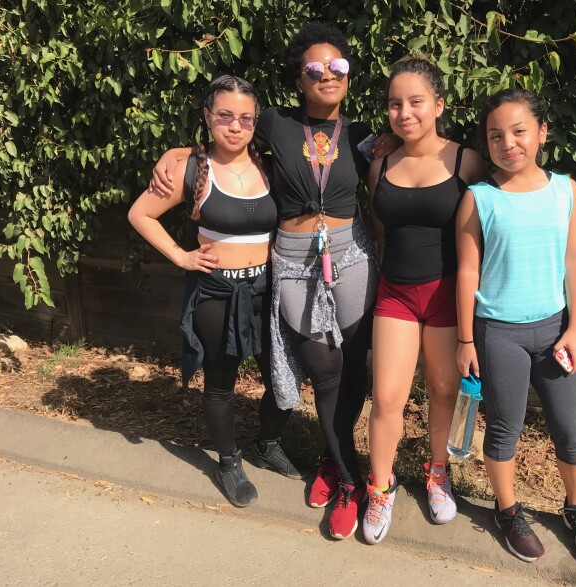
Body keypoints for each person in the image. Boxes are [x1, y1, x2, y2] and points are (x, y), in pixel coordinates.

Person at [150, 23, 390, 540]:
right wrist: (174, 156)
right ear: (299, 79)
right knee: (324, 372)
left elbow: (402, 171)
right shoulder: (276, 123)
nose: (328, 74)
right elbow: (225, 136)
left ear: (349, 74)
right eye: (314, 68)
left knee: (355, 370)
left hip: (351, 258)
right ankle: (352, 482)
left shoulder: (363, 135)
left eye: (338, 66)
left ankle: (331, 459)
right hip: (296, 262)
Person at [128, 75, 301, 508]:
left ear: (256, 122)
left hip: (268, 290)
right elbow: (140, 213)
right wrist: (180, 256)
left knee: (283, 376)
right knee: (221, 382)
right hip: (218, 294)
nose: (235, 126)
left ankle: (268, 443)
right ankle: (228, 461)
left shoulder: (270, 164)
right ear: (208, 117)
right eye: (225, 115)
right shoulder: (191, 169)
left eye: (246, 118)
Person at [455, 88, 576, 563]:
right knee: (505, 428)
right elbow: (467, 273)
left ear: (542, 132)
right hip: (498, 334)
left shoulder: (566, 190)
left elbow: (575, 261)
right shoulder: (479, 199)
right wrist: (465, 340)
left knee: (570, 429)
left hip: (557, 330)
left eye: (519, 131)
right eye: (495, 136)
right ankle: (507, 511)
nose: (508, 144)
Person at [362, 57, 484, 545]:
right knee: (387, 397)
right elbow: (379, 231)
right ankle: (380, 487)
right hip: (395, 294)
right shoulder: (380, 164)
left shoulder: (466, 161)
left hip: (446, 296)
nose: (404, 112)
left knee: (443, 390)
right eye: (395, 104)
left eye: (415, 101)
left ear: (439, 105)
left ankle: (438, 473)